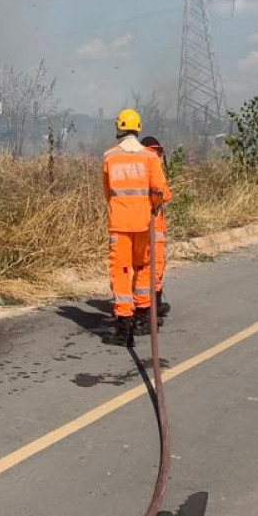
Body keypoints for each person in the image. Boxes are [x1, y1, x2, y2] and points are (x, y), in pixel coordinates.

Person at [102, 108, 169, 343]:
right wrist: (151, 207)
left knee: (121, 272)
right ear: (138, 129)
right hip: (144, 224)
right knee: (143, 268)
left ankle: (124, 329)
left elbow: (107, 192)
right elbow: (159, 190)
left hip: (119, 225)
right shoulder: (150, 157)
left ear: (119, 129)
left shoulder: (109, 157)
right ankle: (143, 318)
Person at [140, 135, 172, 322]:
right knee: (154, 266)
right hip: (152, 227)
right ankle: (152, 306)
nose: (158, 156)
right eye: (155, 152)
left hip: (142, 226)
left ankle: (150, 304)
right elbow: (164, 195)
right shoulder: (152, 170)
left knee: (147, 266)